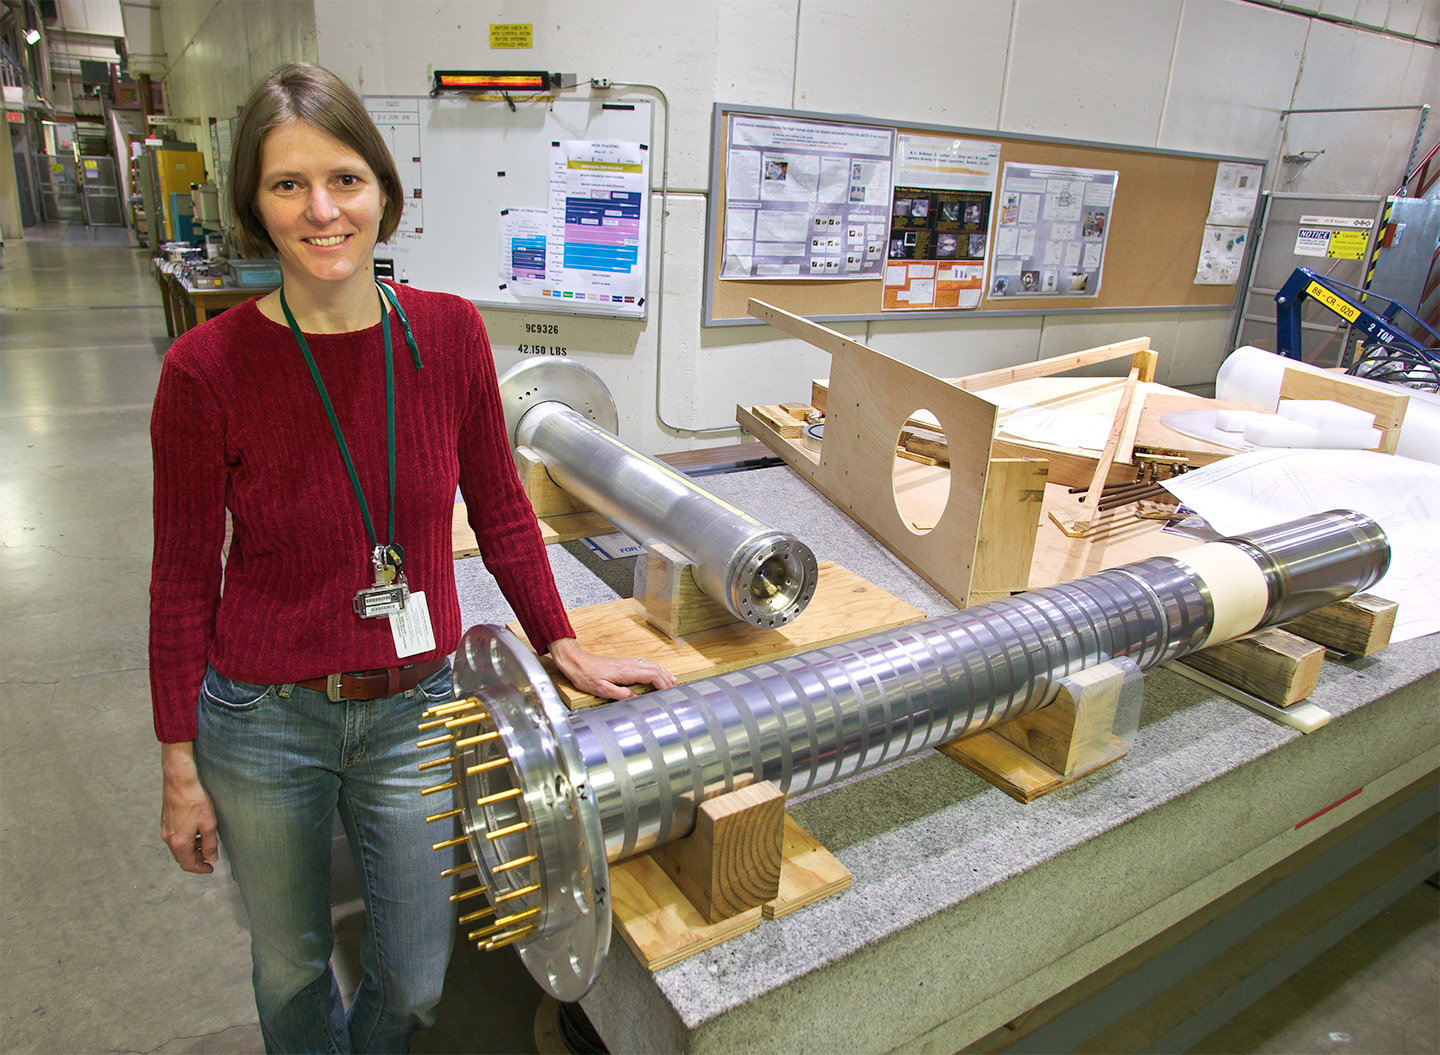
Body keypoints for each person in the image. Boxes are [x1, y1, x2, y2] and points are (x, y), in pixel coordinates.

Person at [150, 62, 675, 1054]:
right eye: (287, 185)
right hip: (264, 716)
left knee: (420, 973)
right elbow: (181, 574)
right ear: (254, 207)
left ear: (385, 190)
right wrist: (180, 759)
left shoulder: (449, 334)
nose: (322, 210)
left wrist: (561, 641)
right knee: (294, 964)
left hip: (414, 703)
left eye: (344, 178)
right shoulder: (206, 369)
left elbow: (503, 508)